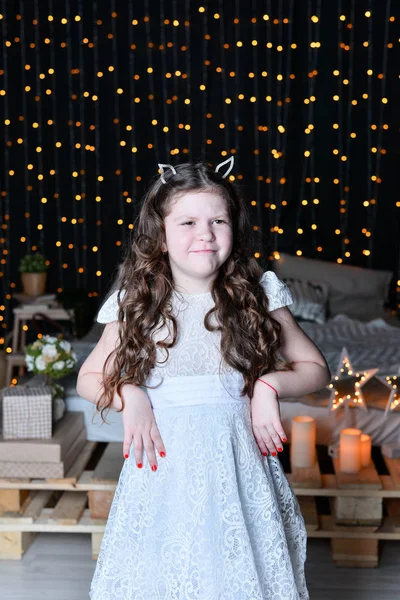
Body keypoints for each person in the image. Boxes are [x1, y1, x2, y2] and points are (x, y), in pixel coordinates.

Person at [77, 156, 331, 600]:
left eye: (218, 220)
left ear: (234, 226)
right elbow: (90, 377)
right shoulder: (135, 301)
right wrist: (129, 393)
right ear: (160, 234)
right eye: (188, 222)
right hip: (164, 476)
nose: (205, 234)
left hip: (239, 475)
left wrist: (269, 386)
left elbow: (315, 369)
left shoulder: (259, 293)